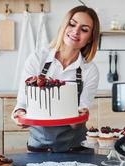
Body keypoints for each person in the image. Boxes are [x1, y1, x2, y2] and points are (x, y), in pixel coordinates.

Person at [11, 5, 100, 153]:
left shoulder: (89, 70)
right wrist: (19, 114)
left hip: (76, 148)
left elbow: (83, 110)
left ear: (90, 38)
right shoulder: (38, 59)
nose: (75, 31)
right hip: (38, 147)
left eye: (84, 29)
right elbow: (22, 103)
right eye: (72, 24)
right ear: (64, 26)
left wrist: (78, 118)